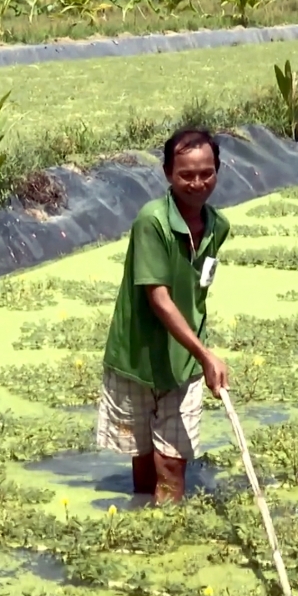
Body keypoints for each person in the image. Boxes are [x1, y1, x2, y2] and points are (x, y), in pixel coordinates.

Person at [97, 127, 232, 506]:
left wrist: (198, 355)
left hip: (183, 363)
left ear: (217, 171)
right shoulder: (151, 221)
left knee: (172, 465)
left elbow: (196, 291)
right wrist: (206, 354)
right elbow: (159, 299)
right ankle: (146, 528)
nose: (197, 183)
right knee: (143, 465)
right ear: (168, 173)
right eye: (186, 174)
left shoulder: (218, 226)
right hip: (137, 359)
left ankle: (169, 531)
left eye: (206, 173)